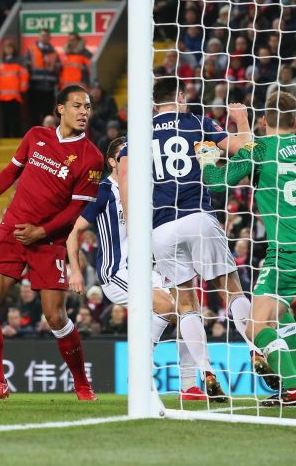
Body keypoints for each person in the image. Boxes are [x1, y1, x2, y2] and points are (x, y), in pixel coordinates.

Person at [119, 76, 268, 400]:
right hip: (198, 216)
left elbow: (126, 177)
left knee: (187, 304)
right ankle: (256, 350)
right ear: (182, 96)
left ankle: (205, 371)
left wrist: (134, 230)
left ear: (155, 103)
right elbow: (245, 148)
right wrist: (242, 120)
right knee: (231, 291)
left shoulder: (138, 135)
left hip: (160, 228)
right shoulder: (197, 122)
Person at [0, 85, 103, 401]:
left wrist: (42, 231)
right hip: (11, 231)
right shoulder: (36, 135)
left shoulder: (91, 157)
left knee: (55, 316)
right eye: (77, 105)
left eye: (88, 107)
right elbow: (9, 173)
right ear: (60, 108)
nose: (83, 112)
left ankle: (81, 383)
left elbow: (76, 210)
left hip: (49, 241)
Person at [199, 91, 296, 406]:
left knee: (255, 327)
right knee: (282, 313)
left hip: (288, 250)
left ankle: (294, 389)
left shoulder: (260, 149)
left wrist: (208, 158)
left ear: (264, 121)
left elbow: (217, 183)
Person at [65, 137, 205, 401]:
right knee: (167, 306)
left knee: (189, 310)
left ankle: (189, 385)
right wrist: (75, 271)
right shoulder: (104, 190)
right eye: (123, 157)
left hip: (146, 270)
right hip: (116, 273)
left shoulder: (144, 190)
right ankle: (139, 374)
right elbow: (74, 232)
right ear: (111, 162)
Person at [0, 41, 29, 137]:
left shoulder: (19, 63)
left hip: (15, 96)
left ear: (14, 49)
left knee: (16, 117)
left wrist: (23, 90)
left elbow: (24, 77)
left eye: (10, 48)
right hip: (3, 97)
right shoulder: (0, 64)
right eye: (6, 48)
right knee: (5, 118)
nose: (8, 50)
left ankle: (16, 136)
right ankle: (6, 136)